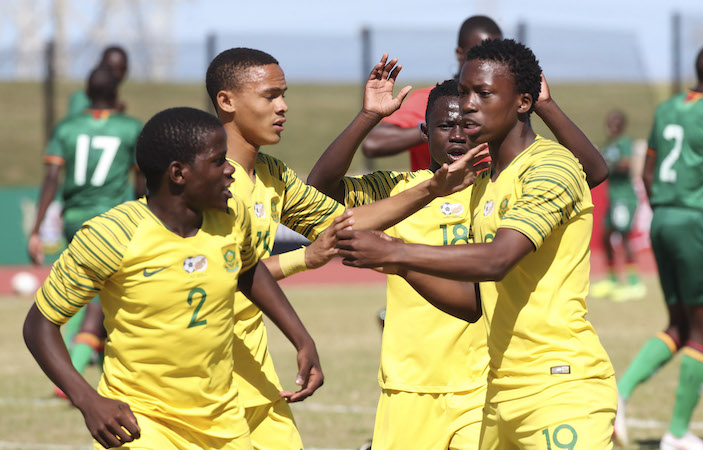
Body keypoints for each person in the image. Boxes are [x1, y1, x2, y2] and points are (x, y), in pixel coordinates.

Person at [336, 38, 616, 449]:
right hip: (499, 394)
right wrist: (399, 266)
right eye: (465, 92)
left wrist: (394, 251)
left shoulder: (551, 166)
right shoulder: (483, 183)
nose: (467, 104)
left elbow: (499, 258)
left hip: (560, 388)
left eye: (483, 94)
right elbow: (473, 303)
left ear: (524, 102)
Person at [205, 47, 488, 449]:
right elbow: (222, 274)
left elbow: (339, 224)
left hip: (255, 377)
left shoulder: (273, 176)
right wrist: (306, 260)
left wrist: (431, 187)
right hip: (199, 374)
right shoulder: (203, 183)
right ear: (227, 101)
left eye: (283, 94)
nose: (283, 107)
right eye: (271, 96)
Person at [23, 106, 344, 449]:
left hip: (223, 421)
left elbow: (249, 271)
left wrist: (301, 338)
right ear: (178, 173)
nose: (229, 172)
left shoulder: (231, 220)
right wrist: (87, 401)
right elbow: (39, 325)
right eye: (218, 161)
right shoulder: (112, 235)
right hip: (142, 422)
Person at [612, 44, 703, 450]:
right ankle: (678, 434)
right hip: (694, 221)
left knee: (680, 325)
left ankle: (619, 394)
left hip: (663, 220)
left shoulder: (667, 109)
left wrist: (664, 210)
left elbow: (648, 172)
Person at [28, 65, 145, 398]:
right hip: (111, 220)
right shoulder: (130, 128)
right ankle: (71, 377)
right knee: (100, 300)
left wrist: (36, 229)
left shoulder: (67, 127)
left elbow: (51, 179)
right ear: (117, 94)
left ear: (86, 93)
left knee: (85, 293)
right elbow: (139, 180)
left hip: (73, 217)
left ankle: (98, 365)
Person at [361, 15, 502, 171]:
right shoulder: (433, 101)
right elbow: (372, 144)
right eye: (478, 54)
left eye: (495, 56)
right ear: (459, 53)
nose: (485, 63)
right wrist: (438, 124)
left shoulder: (502, 103)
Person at [590, 110, 646, 302]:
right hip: (613, 199)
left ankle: (633, 282)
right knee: (606, 236)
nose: (611, 126)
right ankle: (612, 279)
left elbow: (625, 166)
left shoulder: (625, 142)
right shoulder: (608, 145)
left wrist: (607, 163)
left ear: (621, 125)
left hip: (625, 197)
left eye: (615, 123)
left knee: (623, 236)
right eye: (609, 122)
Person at [67, 46, 128, 117]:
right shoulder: (81, 99)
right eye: (110, 68)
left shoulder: (118, 101)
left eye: (122, 69)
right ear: (100, 65)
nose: (116, 74)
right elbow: (75, 124)